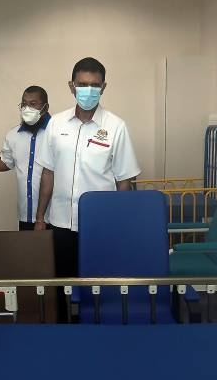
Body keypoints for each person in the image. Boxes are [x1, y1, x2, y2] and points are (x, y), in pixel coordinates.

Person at [35, 57, 140, 320]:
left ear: (104, 87)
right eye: (82, 84)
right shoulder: (56, 124)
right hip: (60, 221)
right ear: (72, 86)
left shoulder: (116, 127)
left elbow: (124, 180)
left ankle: (98, 330)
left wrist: (120, 223)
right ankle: (63, 332)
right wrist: (39, 217)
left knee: (99, 285)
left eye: (94, 85)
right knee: (62, 284)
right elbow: (48, 173)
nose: (88, 90)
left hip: (101, 225)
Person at [0, 85, 51, 229]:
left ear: (45, 107)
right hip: (25, 214)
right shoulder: (13, 135)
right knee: (25, 245)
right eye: (24, 104)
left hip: (54, 216)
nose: (27, 108)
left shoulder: (57, 133)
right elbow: (5, 163)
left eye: (33, 104)